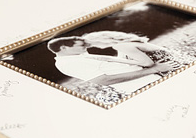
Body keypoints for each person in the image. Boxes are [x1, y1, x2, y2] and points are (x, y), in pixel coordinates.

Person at [47, 34, 178, 93]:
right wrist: (153, 70)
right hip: (144, 85)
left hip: (154, 76)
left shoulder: (78, 56)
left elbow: (113, 64)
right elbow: (104, 80)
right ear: (64, 48)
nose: (85, 47)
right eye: (81, 45)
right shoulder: (69, 63)